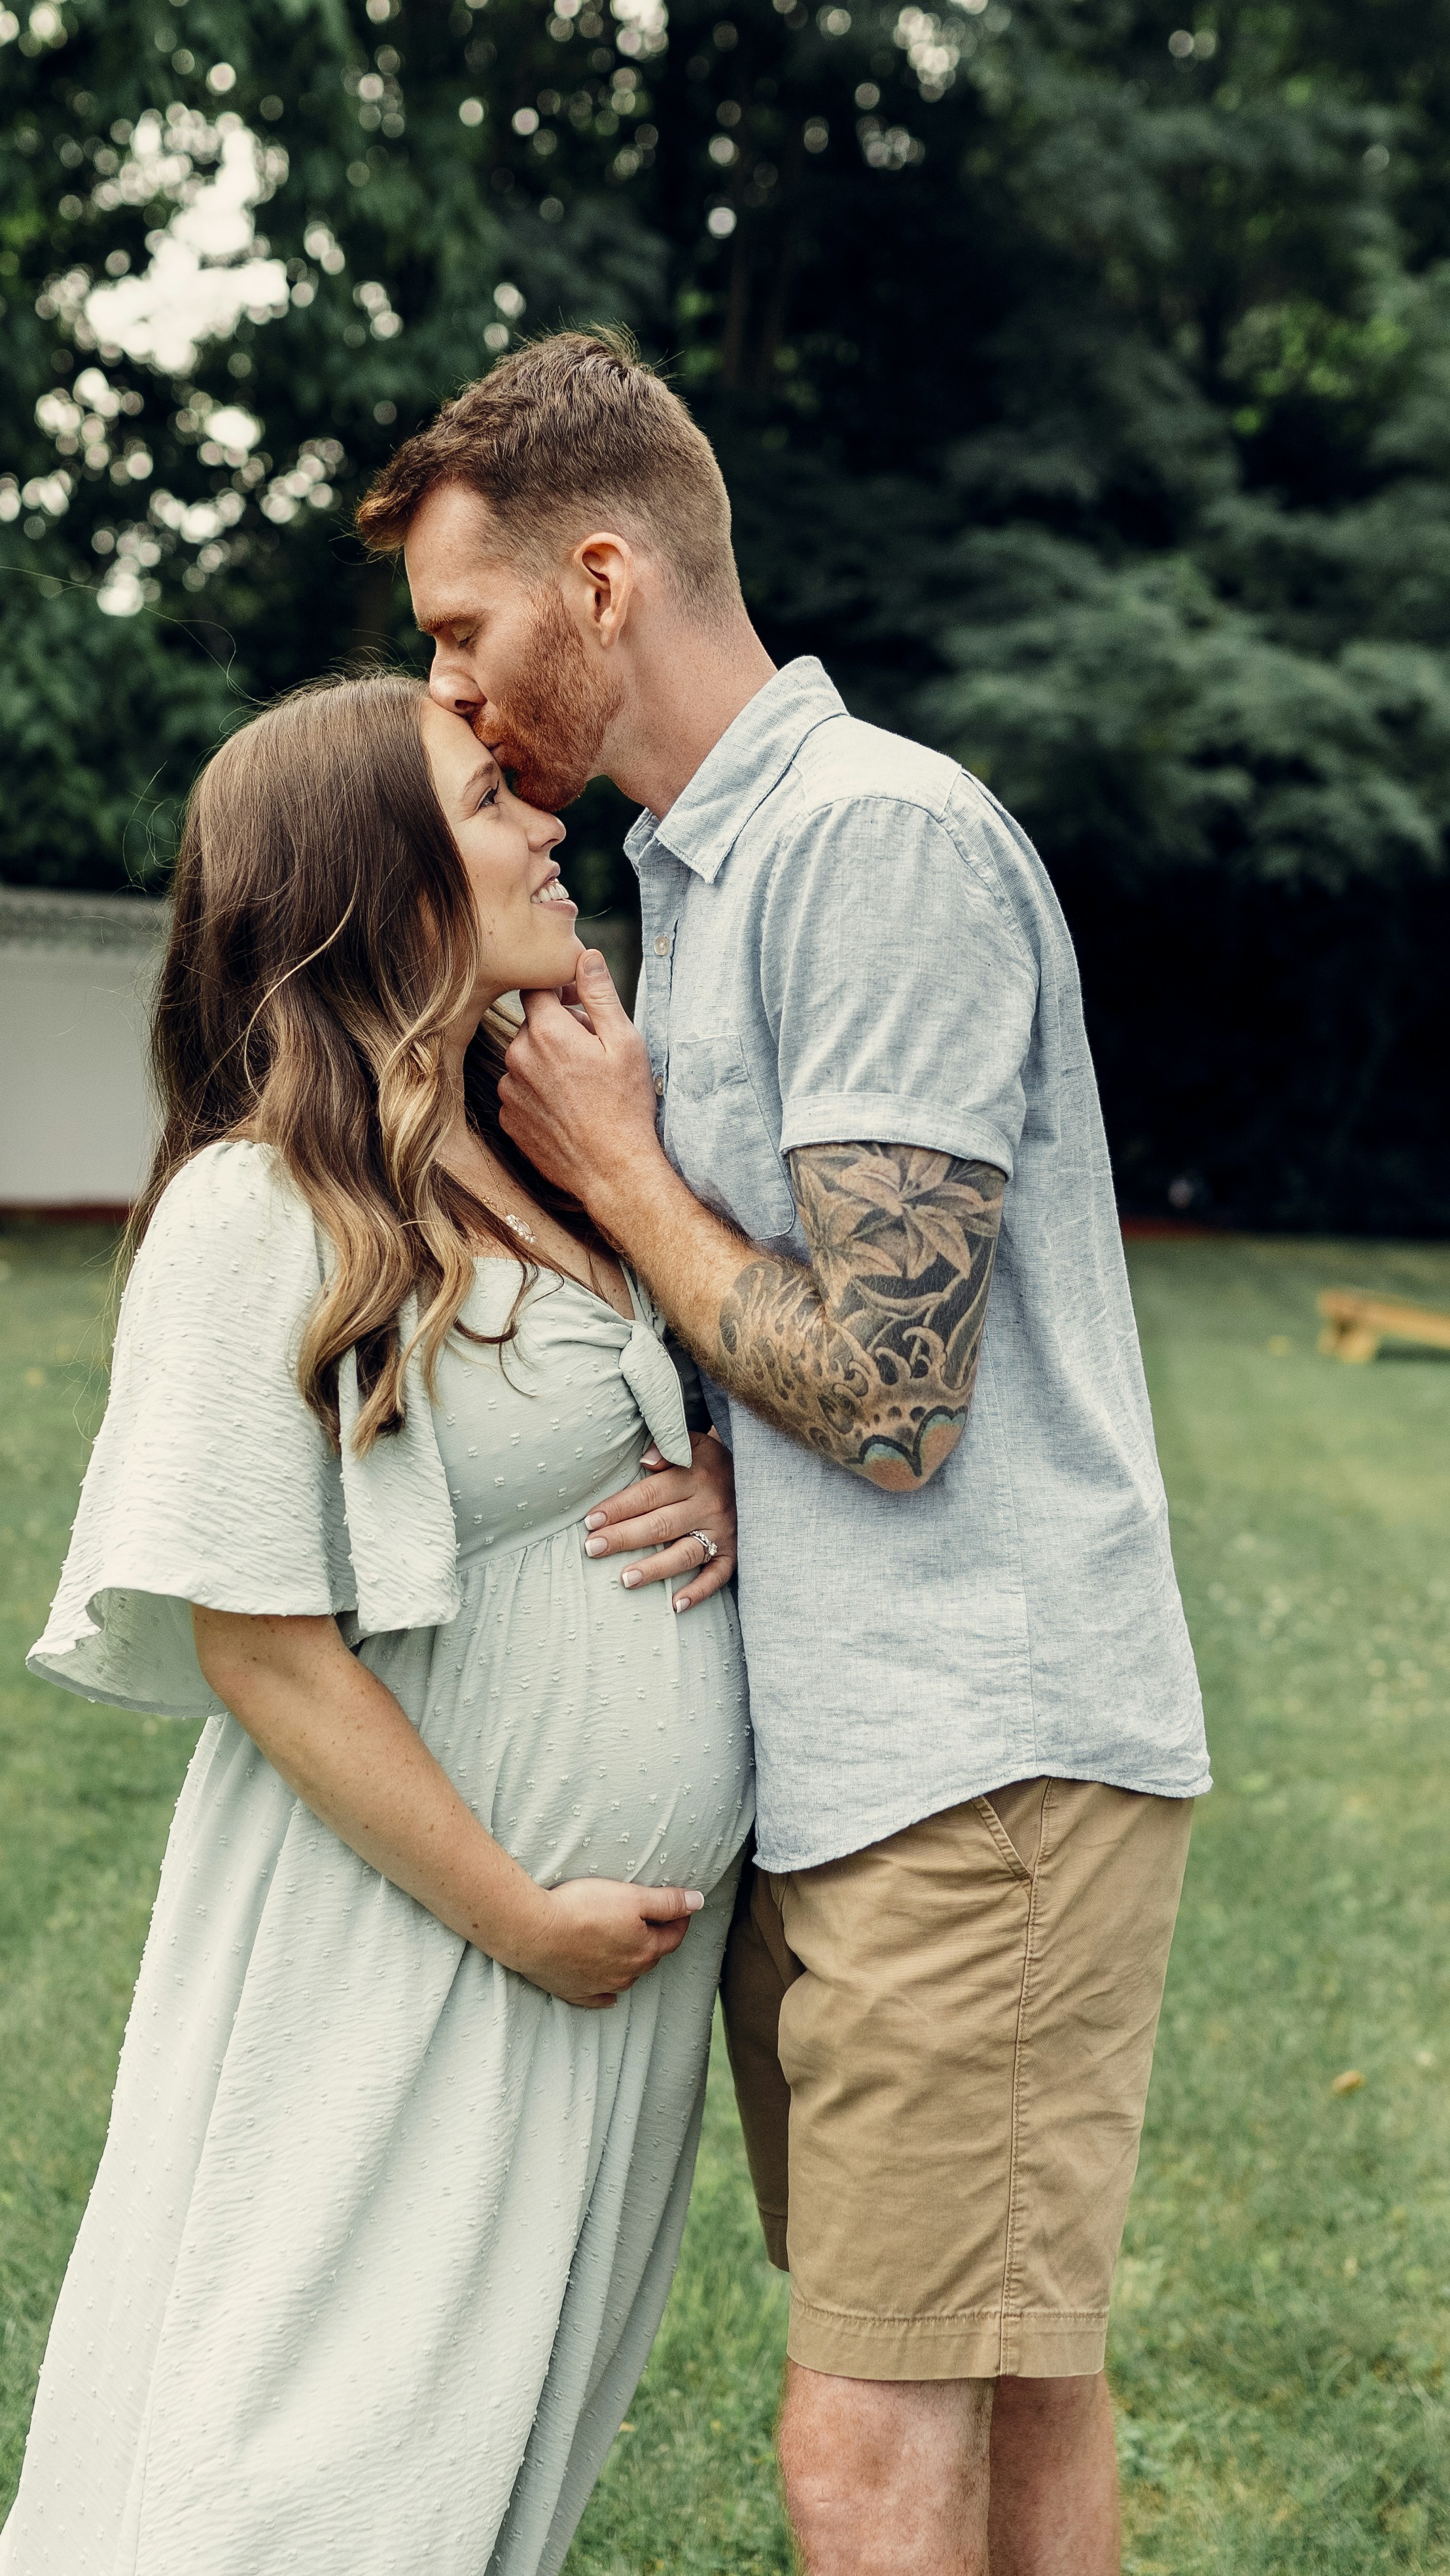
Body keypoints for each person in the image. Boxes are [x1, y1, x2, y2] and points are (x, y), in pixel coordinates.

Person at [359, 331, 1213, 2576]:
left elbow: (904, 1398)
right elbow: (840, 1341)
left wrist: (630, 1177)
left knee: (866, 2446)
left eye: (462, 636)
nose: (444, 698)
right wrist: (744, 1440)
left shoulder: (876, 847)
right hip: (863, 1764)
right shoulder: (706, 876)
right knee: (1007, 2391)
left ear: (604, 578)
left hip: (984, 1770)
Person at [1, 673, 753, 2576]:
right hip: (411, 1949)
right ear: (377, 881)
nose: (543, 821)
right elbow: (259, 1646)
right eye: (490, 797)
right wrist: (523, 1915)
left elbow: (647, 1407)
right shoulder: (258, 1210)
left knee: (487, 2460)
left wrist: (741, 1476)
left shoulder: (536, 1150)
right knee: (303, 2472)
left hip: (591, 1991)